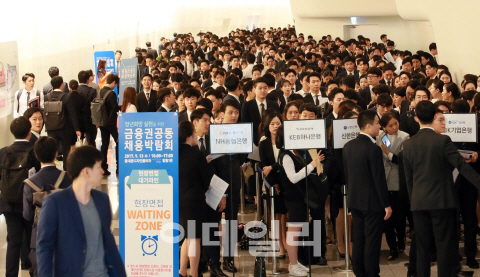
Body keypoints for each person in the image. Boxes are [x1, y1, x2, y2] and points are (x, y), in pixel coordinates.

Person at [403, 101, 480, 277]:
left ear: (417, 118)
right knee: (444, 244)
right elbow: (463, 167)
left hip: (419, 201)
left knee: (422, 246)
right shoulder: (443, 140)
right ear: (433, 117)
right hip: (442, 200)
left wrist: (413, 199)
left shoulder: (408, 144)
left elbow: (409, 178)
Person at [36, 146, 126, 277]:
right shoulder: (55, 203)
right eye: (99, 166)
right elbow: (44, 247)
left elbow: (108, 243)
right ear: (86, 172)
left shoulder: (102, 200)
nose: (102, 171)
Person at [343, 110, 392, 277]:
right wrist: (386, 204)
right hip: (372, 202)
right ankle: (372, 272)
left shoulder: (348, 146)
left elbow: (347, 174)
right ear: (369, 125)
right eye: (378, 123)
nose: (380, 126)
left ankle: (359, 270)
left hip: (355, 200)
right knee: (372, 240)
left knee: (359, 239)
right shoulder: (373, 149)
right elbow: (379, 179)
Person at [276, 125, 325, 276]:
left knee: (296, 231)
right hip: (293, 198)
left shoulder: (294, 152)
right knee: (293, 232)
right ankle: (292, 264)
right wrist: (312, 165)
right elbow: (293, 177)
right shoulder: (285, 155)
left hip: (299, 197)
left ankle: (295, 262)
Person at [23, 136, 72, 277]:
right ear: (56, 153)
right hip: (65, 234)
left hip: (39, 236)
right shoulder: (68, 178)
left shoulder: (29, 184)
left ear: (37, 155)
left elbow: (27, 215)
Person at [0, 116, 40, 277]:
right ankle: (33, 272)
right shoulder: (34, 151)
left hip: (8, 203)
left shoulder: (4, 152)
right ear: (29, 132)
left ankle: (10, 274)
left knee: (13, 242)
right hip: (29, 203)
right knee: (32, 241)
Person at [212, 99, 247, 273]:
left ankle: (228, 259)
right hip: (215, 183)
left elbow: (243, 156)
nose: (234, 116)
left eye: (236, 113)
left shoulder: (242, 132)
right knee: (213, 223)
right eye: (230, 112)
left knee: (232, 221)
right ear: (222, 114)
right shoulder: (215, 133)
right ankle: (211, 260)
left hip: (233, 181)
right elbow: (212, 160)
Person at [178, 121, 213, 277]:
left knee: (187, 236)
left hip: (180, 200)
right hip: (194, 201)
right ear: (189, 136)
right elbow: (206, 181)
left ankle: (182, 271)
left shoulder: (174, 153)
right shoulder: (196, 154)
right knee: (195, 238)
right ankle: (193, 273)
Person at [376, 112, 410, 260]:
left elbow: (400, 160)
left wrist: (387, 153)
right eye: (390, 125)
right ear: (384, 127)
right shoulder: (380, 136)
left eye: (396, 123)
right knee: (387, 217)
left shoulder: (405, 137)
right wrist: (387, 153)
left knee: (400, 215)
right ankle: (392, 248)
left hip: (398, 179)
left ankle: (401, 240)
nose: (395, 127)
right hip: (384, 179)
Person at [258, 111, 287, 259]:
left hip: (287, 181)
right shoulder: (263, 143)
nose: (275, 126)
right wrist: (274, 181)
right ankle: (279, 244)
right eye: (272, 124)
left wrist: (274, 167)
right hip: (272, 183)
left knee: (285, 214)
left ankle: (285, 241)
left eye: (278, 123)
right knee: (275, 214)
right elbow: (265, 167)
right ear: (267, 126)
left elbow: (284, 163)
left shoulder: (286, 141)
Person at [45, 76, 81, 170]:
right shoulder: (66, 97)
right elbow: (72, 114)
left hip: (51, 128)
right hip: (65, 128)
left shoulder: (46, 97)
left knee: (52, 149)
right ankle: (66, 169)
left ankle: (52, 168)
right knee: (66, 150)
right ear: (62, 85)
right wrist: (77, 129)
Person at [241, 77, 280, 145]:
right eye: (260, 88)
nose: (263, 90)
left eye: (265, 88)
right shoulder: (247, 106)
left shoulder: (274, 105)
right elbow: (246, 126)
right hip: (253, 143)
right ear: (254, 89)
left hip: (271, 142)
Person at [99, 74, 120, 176]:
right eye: (115, 84)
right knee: (118, 141)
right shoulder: (111, 94)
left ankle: (103, 167)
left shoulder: (100, 91)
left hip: (102, 122)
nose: (115, 86)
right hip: (111, 123)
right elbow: (114, 108)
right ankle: (118, 167)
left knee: (104, 144)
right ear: (114, 83)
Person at [78, 70, 97, 146]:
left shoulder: (75, 90)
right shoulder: (92, 91)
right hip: (90, 119)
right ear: (87, 80)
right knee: (91, 141)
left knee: (79, 141)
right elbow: (95, 106)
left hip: (78, 120)